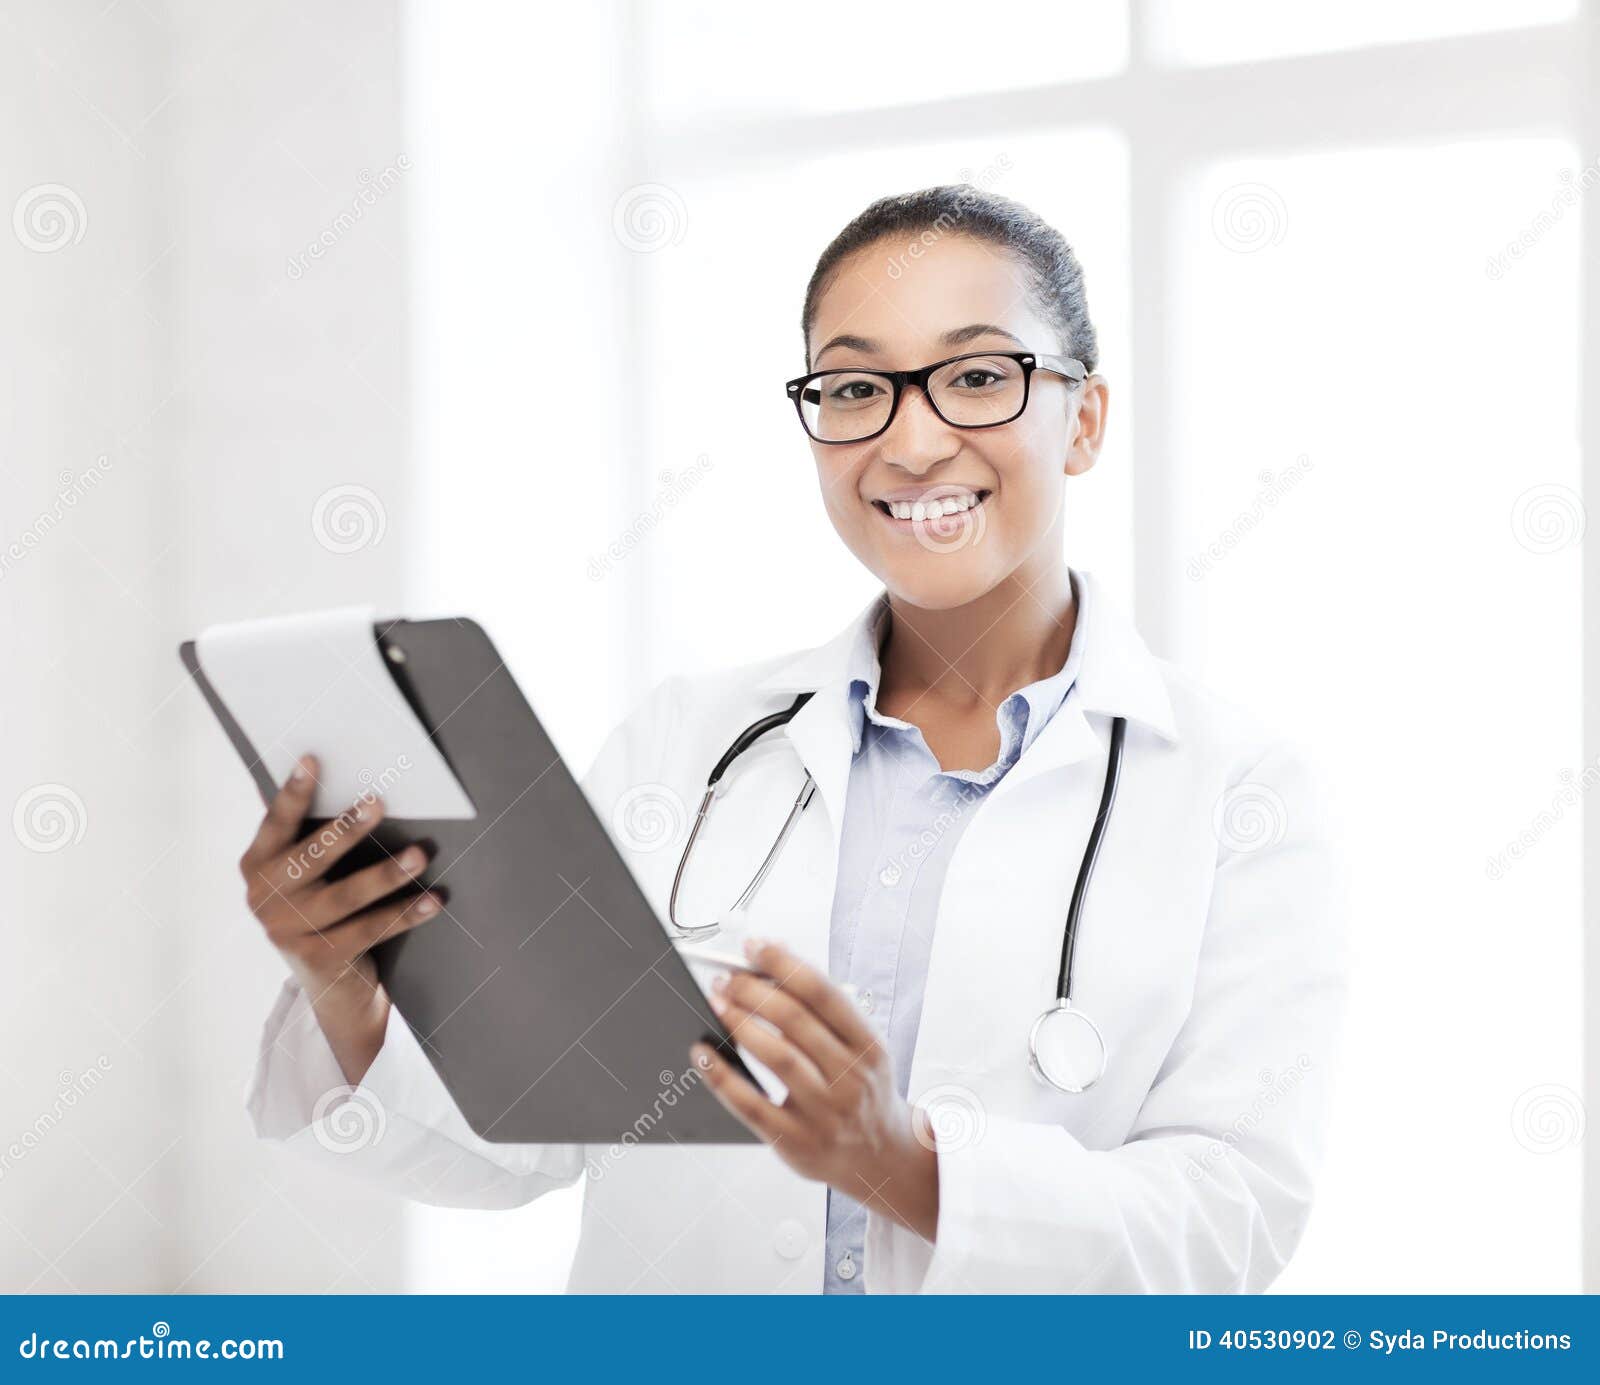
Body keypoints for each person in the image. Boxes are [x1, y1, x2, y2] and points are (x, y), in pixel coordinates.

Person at [238, 185, 1346, 1294]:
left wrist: (899, 1163)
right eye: (857, 387)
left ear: (1084, 418)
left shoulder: (1235, 790)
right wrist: (348, 983)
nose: (912, 441)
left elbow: (1227, 1221)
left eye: (975, 375)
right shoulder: (684, 743)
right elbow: (533, 1128)